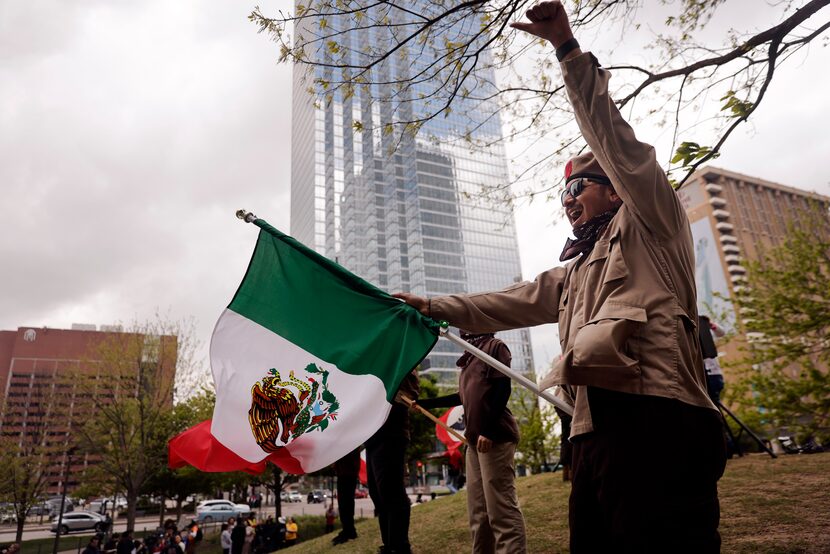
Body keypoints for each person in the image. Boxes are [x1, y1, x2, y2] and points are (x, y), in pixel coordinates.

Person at [395, 3, 726, 552]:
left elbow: (616, 142)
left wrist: (566, 51)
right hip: (590, 433)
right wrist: (429, 305)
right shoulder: (574, 274)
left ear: (615, 187)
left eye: (580, 188)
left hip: (659, 421)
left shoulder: (653, 223)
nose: (568, 201)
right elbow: (505, 302)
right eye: (562, 195)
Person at [418, 331, 526, 553]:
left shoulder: (495, 347)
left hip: (494, 438)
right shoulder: (469, 357)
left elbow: (502, 389)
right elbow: (462, 397)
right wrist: (425, 403)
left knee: (500, 509)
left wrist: (487, 430)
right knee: (478, 512)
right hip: (474, 442)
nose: (461, 328)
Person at [366, 370, 419, 554]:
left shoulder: (402, 360)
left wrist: (396, 394)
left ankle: (401, 546)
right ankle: (389, 545)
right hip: (373, 435)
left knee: (392, 492)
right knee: (377, 493)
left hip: (392, 433)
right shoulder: (376, 361)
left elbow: (411, 394)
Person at [332, 449, 361, 545]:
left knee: (346, 503)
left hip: (348, 472)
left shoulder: (350, 442)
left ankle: (350, 531)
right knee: (343, 503)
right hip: (344, 472)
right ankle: (347, 529)